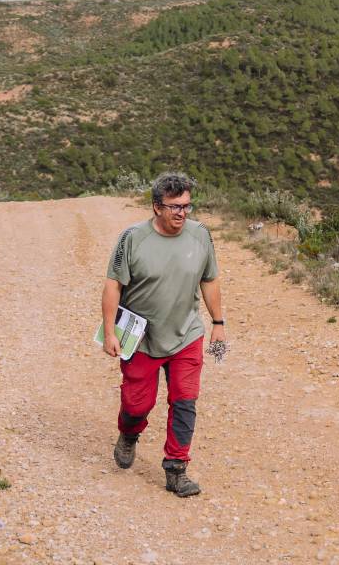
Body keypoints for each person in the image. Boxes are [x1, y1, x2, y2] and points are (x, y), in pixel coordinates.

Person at [100, 171, 225, 497]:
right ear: (157, 207)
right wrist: (111, 331)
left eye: (186, 205)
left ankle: (176, 469)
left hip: (186, 335)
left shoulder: (200, 235)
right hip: (140, 339)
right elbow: (113, 284)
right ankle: (129, 433)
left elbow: (209, 280)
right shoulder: (132, 238)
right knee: (136, 405)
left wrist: (219, 324)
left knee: (185, 402)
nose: (182, 213)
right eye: (174, 206)